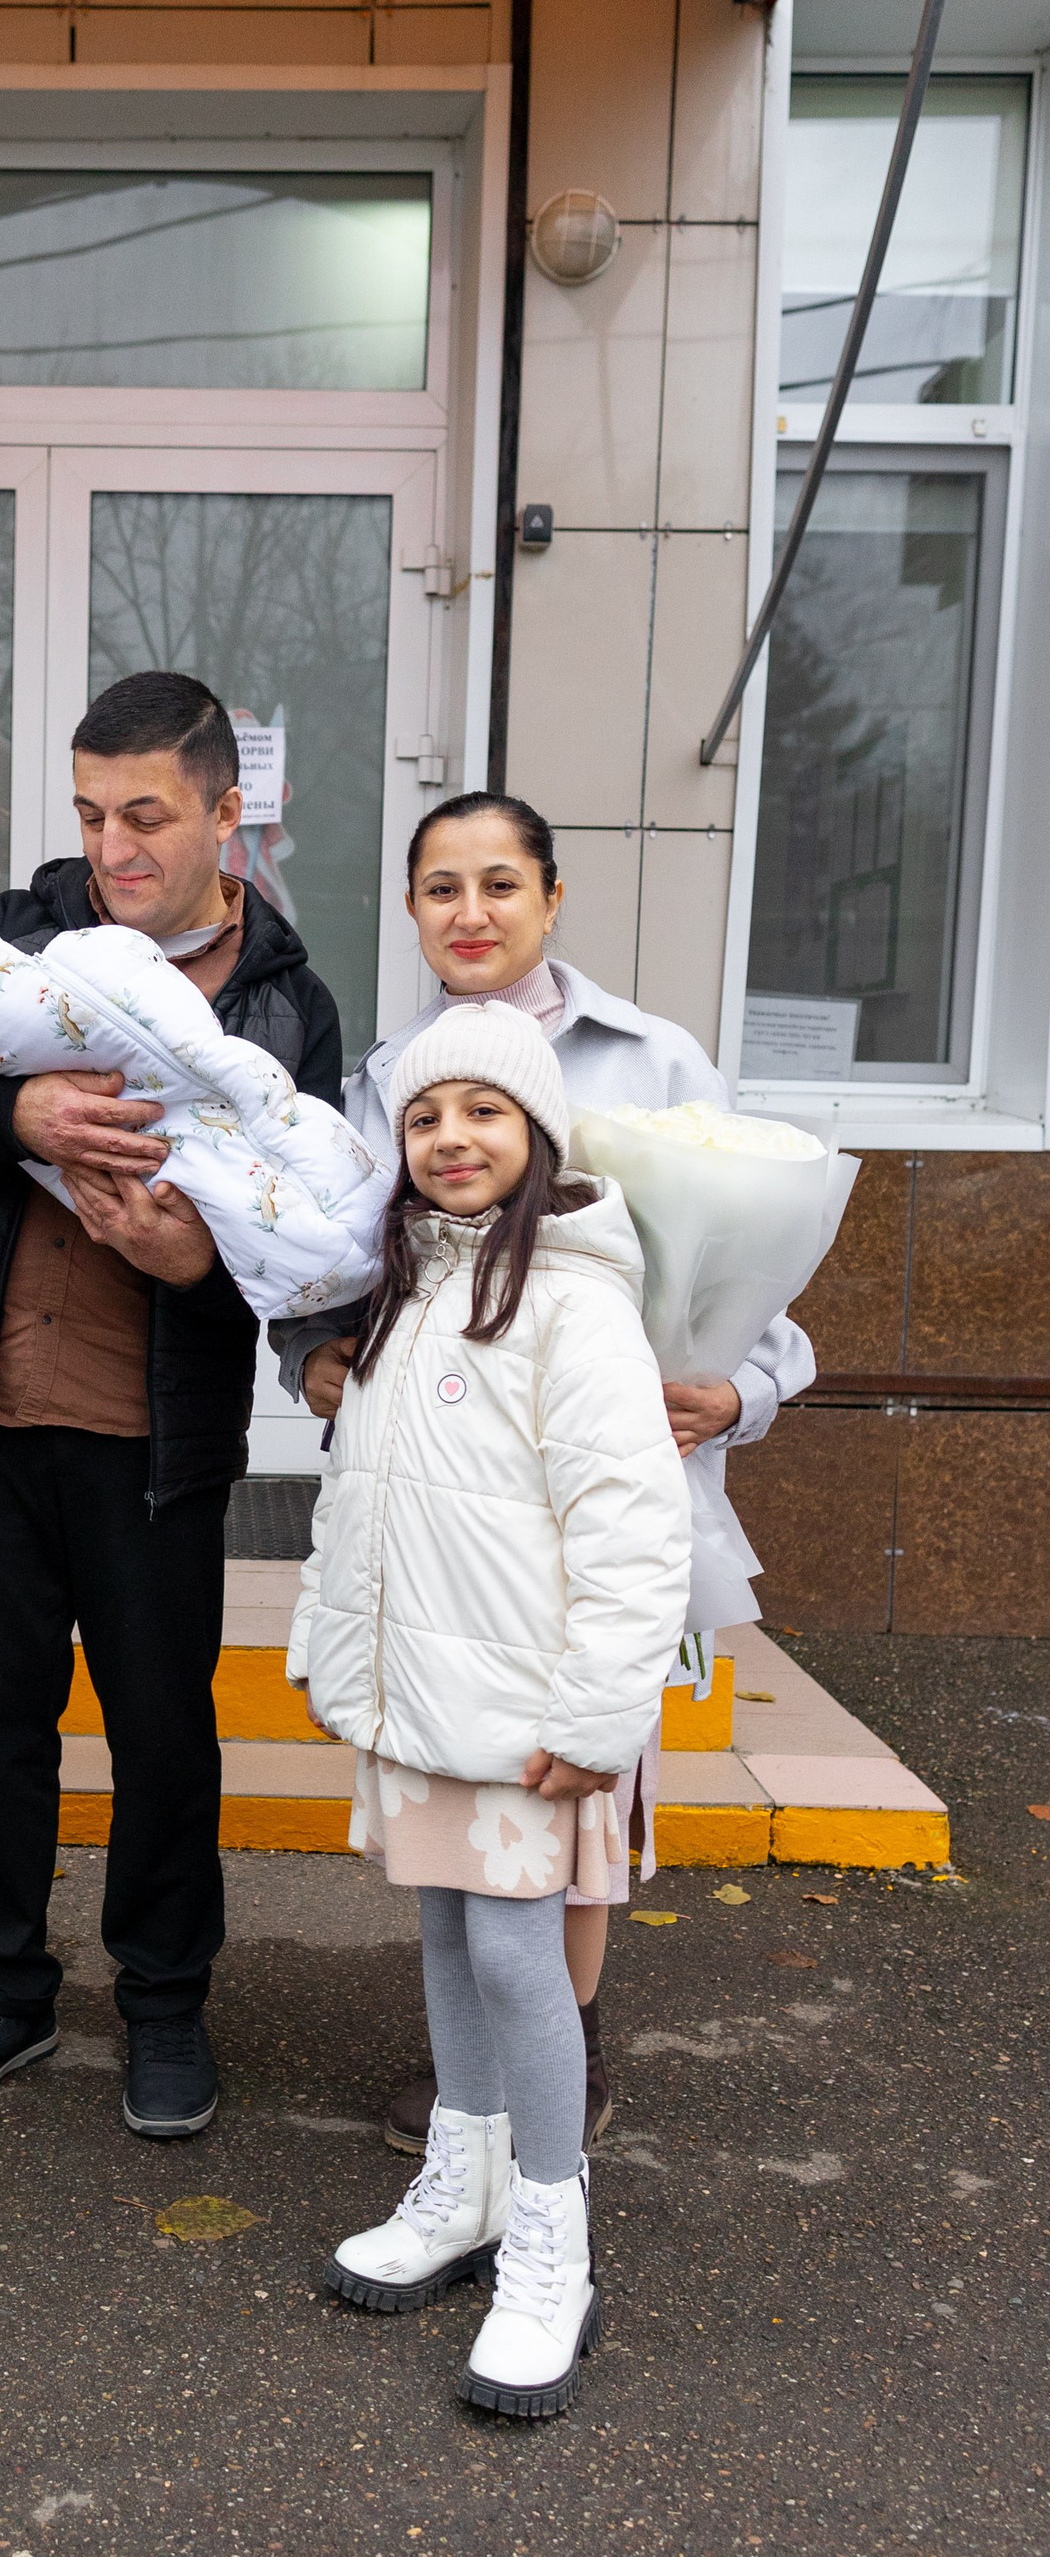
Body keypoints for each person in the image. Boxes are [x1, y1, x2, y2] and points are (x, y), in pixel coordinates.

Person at [278, 791, 813, 2149]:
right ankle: (487, 2076)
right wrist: (313, 1359)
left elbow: (760, 1293)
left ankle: (562, 2058)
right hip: (452, 1526)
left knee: (583, 1794)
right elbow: (336, 1268)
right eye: (440, 888)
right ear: (412, 909)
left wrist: (732, 1394)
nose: (471, 913)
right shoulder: (383, 1081)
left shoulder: (654, 1060)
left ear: (553, 896)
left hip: (606, 1497)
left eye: (501, 884)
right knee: (474, 1800)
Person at [0, 670, 342, 2137]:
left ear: (226, 811)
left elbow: (305, 1235)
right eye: (89, 814)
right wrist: (13, 1110)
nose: (112, 848)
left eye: (146, 816)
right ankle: (0, 1996)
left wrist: (194, 1262)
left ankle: (165, 2007)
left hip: (156, 1438)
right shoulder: (18, 936)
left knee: (163, 1733)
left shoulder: (286, 1000)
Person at [291, 1004, 691, 2418]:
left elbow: (633, 1525)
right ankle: (460, 2184)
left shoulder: (575, 1303)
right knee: (451, 1940)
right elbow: (359, 1501)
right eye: (422, 1117)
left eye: (484, 1112)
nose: (450, 1138)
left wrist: (597, 1716)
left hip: (529, 1717)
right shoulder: (407, 1289)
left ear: (538, 1136)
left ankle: (549, 2238)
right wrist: (332, 1648)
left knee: (521, 1960)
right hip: (422, 1701)